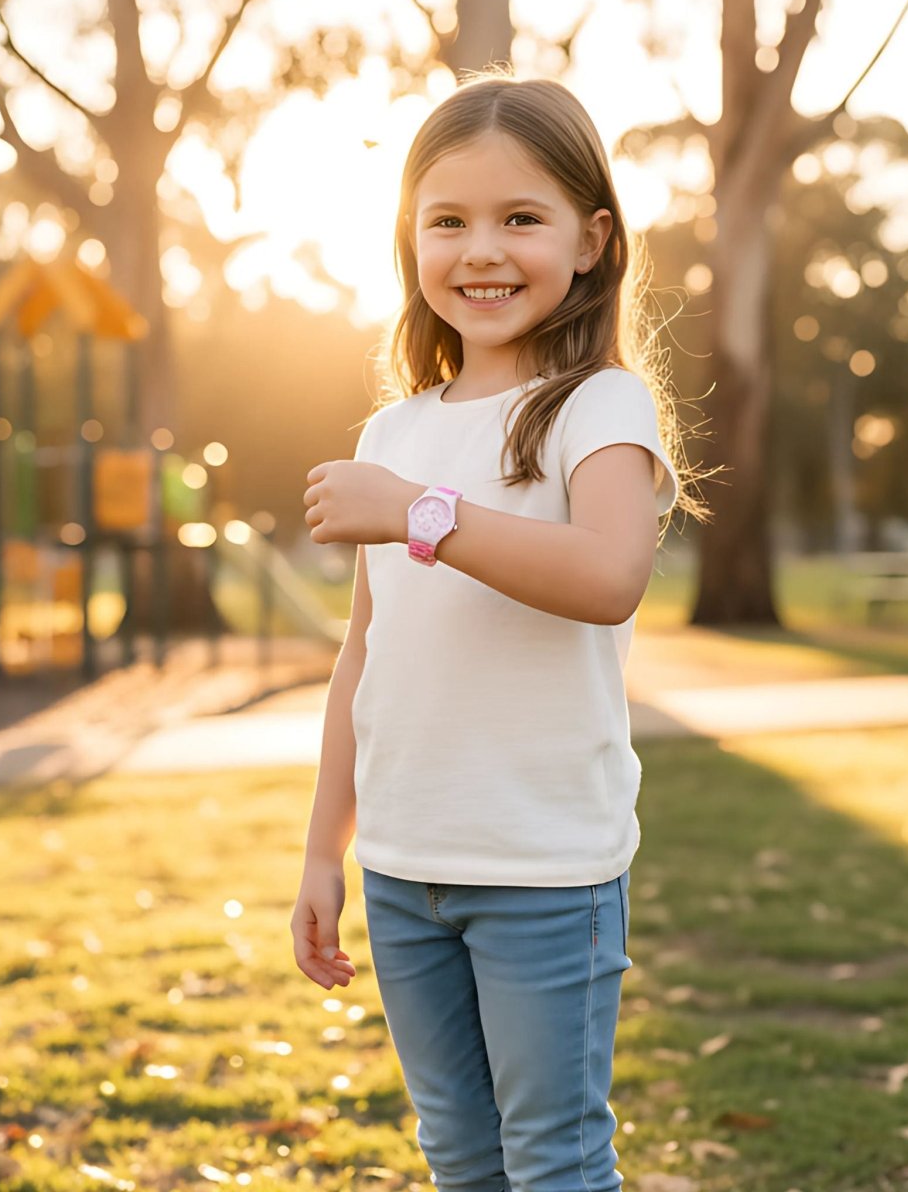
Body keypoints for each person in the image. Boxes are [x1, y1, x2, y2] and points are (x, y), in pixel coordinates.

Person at [292, 73, 704, 1192]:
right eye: (449, 221)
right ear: (409, 242)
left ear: (591, 239)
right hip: (403, 866)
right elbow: (364, 662)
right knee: (462, 1158)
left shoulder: (600, 408)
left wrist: (420, 514)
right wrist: (324, 850)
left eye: (521, 218)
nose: (482, 249)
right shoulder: (394, 428)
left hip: (544, 868)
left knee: (556, 1160)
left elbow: (609, 576)